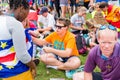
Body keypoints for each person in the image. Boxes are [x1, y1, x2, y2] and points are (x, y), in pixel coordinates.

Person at [0, 0, 36, 80]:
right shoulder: (15, 24)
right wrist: (33, 66)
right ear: (21, 8)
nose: (26, 17)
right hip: (17, 72)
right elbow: (22, 55)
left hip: (4, 70)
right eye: (27, 13)